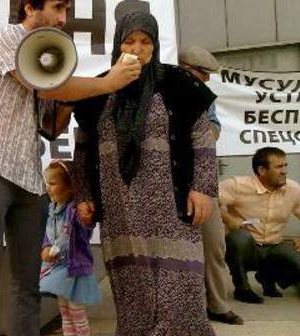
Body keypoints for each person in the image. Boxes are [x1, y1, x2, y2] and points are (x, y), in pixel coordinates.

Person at [0, 0, 141, 334]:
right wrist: (107, 83)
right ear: (29, 7)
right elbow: (42, 84)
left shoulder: (47, 58)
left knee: (28, 285)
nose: (62, 19)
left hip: (29, 178)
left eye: (67, 11)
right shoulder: (5, 37)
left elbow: (50, 128)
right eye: (58, 8)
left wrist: (69, 102)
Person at [72, 11, 217, 336]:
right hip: (122, 212)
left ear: (154, 46)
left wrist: (203, 188)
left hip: (173, 212)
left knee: (182, 296)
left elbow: (202, 136)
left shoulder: (179, 84)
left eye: (145, 41)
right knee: (133, 294)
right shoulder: (98, 90)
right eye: (130, 41)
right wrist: (83, 194)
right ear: (117, 45)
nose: (137, 49)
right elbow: (82, 150)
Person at [179, 46, 243, 325]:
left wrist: (197, 132)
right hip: (168, 184)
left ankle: (217, 305)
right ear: (183, 68)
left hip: (202, 182)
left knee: (214, 244)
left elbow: (213, 129)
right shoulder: (159, 92)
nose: (206, 80)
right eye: (201, 73)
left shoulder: (205, 98)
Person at [220, 147, 300, 304]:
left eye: (285, 166)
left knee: (296, 258)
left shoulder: (293, 189)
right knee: (238, 238)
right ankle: (242, 288)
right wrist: (228, 219)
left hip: (274, 246)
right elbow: (209, 200)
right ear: (262, 170)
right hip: (248, 248)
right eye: (279, 167)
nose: (284, 171)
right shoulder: (237, 185)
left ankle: (267, 276)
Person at [39, 160, 100, 336]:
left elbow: (79, 231)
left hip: (73, 268)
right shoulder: (52, 208)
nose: (48, 188)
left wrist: (87, 217)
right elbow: (48, 234)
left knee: (76, 311)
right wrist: (45, 248)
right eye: (46, 183)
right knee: (64, 312)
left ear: (70, 187)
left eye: (53, 183)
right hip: (58, 268)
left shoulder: (74, 211)